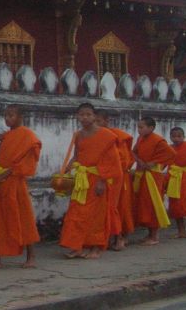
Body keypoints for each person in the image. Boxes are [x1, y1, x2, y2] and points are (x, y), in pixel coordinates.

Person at [0, 104, 41, 269]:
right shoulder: (7, 136)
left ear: (20, 117)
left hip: (15, 183)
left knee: (24, 218)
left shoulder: (28, 136)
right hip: (1, 184)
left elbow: (25, 163)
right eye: (5, 115)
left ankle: (31, 257)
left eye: (11, 115)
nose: (7, 119)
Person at [58, 102, 121, 259]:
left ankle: (96, 247)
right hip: (81, 179)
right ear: (77, 116)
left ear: (94, 116)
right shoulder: (78, 135)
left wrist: (102, 181)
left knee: (95, 215)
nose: (85, 117)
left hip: (97, 178)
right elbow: (77, 155)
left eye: (88, 114)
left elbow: (111, 160)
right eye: (81, 114)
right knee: (76, 213)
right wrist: (64, 171)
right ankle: (77, 245)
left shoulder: (106, 136)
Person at [95, 108, 134, 251]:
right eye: (94, 122)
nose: (96, 125)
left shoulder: (116, 136)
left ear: (107, 121)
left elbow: (123, 160)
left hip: (115, 177)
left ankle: (119, 237)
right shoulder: (92, 136)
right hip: (97, 176)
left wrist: (107, 172)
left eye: (98, 121)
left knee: (115, 207)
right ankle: (101, 238)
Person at [132, 117, 175, 246]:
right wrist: (139, 161)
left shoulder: (158, 140)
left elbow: (171, 154)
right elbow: (133, 152)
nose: (139, 130)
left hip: (153, 175)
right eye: (138, 127)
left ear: (151, 128)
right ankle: (149, 234)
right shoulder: (140, 139)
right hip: (142, 173)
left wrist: (154, 162)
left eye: (142, 127)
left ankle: (155, 235)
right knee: (144, 204)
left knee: (153, 203)